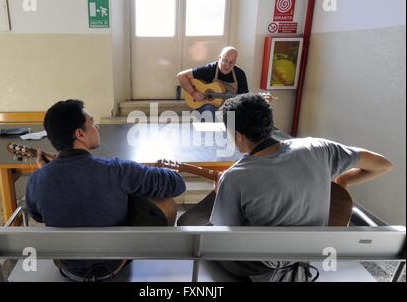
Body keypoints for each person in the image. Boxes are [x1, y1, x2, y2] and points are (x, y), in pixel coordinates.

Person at [177, 93, 393, 281]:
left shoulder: (236, 177)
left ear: (239, 136)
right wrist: (342, 182)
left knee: (191, 222)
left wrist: (220, 191)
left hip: (261, 264)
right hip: (313, 252)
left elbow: (222, 238)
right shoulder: (318, 147)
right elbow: (383, 165)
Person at [25, 99, 186, 282]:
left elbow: (37, 216)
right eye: (92, 123)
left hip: (70, 270)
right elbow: (177, 184)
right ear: (80, 134)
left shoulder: (36, 180)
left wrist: (47, 173)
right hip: (112, 266)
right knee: (162, 203)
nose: (97, 127)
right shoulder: (116, 170)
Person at [177, 46, 249, 120]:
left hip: (229, 108)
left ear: (235, 62)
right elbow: (181, 76)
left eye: (231, 62)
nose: (227, 65)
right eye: (224, 60)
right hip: (208, 106)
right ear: (219, 58)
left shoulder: (239, 74)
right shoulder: (210, 69)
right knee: (208, 110)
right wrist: (193, 92)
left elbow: (245, 100)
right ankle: (208, 131)